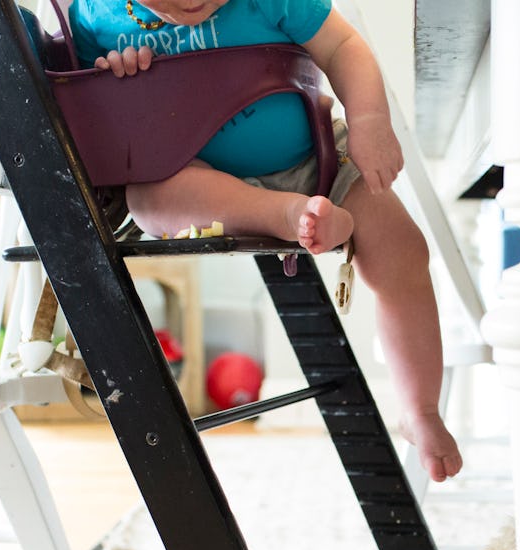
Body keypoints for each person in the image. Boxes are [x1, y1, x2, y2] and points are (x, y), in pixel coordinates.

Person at [69, 0, 463, 482]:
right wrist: (114, 80)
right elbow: (91, 111)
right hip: (200, 182)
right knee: (148, 201)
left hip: (318, 160)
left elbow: (342, 45)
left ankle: (420, 408)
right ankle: (286, 216)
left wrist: (369, 120)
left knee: (403, 252)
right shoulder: (93, 16)